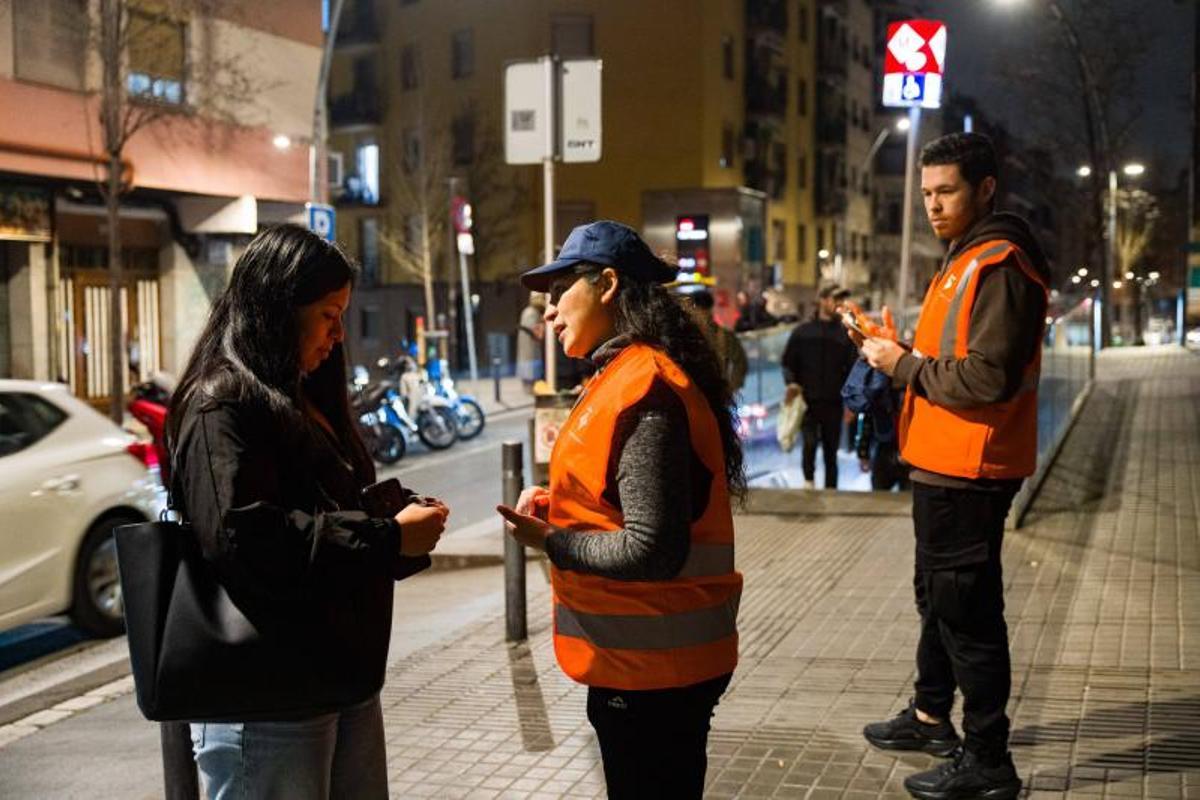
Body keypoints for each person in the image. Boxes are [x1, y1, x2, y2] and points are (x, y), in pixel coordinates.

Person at [164, 224, 449, 799]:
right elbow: (243, 539)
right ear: (277, 310)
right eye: (327, 314)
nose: (340, 334)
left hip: (335, 680)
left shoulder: (299, 399)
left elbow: (310, 512)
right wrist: (385, 541)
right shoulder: (221, 401)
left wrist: (390, 521)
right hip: (266, 695)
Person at [494, 220, 744, 799]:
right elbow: (622, 499)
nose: (549, 313)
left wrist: (551, 540)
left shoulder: (644, 389)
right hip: (649, 663)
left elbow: (651, 547)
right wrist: (559, 508)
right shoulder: (625, 377)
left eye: (559, 295)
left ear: (607, 284)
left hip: (654, 669)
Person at [853, 133, 1049, 800]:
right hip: (943, 462)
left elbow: (988, 377)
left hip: (972, 466)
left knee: (968, 615)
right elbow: (955, 359)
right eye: (927, 194)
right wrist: (896, 349)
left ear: (985, 188)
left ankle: (988, 762)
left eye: (947, 192)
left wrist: (902, 365)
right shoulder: (965, 258)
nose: (933, 206)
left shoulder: (999, 262)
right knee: (939, 600)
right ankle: (933, 715)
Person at [780, 284, 858, 489]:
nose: (839, 304)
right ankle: (809, 484)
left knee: (831, 451)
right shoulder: (802, 332)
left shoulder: (845, 335)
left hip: (834, 401)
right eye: (835, 299)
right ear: (822, 300)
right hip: (807, 400)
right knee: (809, 444)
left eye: (842, 300)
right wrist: (792, 385)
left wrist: (850, 403)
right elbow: (788, 362)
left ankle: (831, 490)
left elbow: (852, 369)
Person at [691, 288, 748, 394]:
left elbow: (740, 362)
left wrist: (731, 388)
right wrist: (731, 388)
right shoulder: (723, 334)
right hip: (715, 393)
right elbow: (740, 362)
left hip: (699, 394)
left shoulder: (687, 334)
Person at [516, 293, 547, 391]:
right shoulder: (532, 313)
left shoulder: (529, 311)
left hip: (530, 349)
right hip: (530, 350)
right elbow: (538, 333)